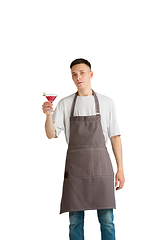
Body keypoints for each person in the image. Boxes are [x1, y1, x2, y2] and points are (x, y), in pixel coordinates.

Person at [42, 58, 125, 240]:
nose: (78, 77)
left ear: (90, 74)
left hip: (102, 168)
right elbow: (51, 134)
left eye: (82, 73)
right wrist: (49, 115)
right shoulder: (65, 103)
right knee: (75, 222)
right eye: (74, 74)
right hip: (76, 171)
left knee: (107, 221)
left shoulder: (106, 102)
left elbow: (115, 136)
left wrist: (120, 168)